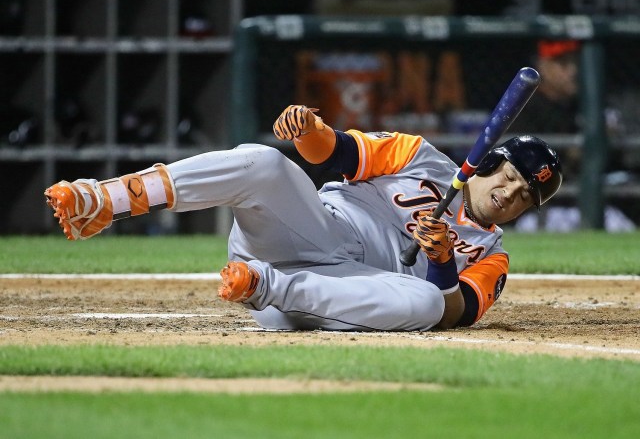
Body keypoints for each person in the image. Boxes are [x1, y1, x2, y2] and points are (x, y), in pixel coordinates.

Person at [44, 105, 562, 332]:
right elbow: (331, 154)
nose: (510, 194)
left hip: (323, 292)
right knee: (265, 161)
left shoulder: (492, 256)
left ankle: (265, 287)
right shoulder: (418, 155)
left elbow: (456, 314)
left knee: (426, 301)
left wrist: (444, 260)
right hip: (309, 229)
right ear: (490, 164)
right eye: (510, 178)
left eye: (524, 197)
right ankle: (106, 200)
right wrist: (308, 129)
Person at [510, 39, 580, 173]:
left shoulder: (581, 105)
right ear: (541, 66)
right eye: (563, 63)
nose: (573, 71)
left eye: (575, 61)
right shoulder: (525, 107)